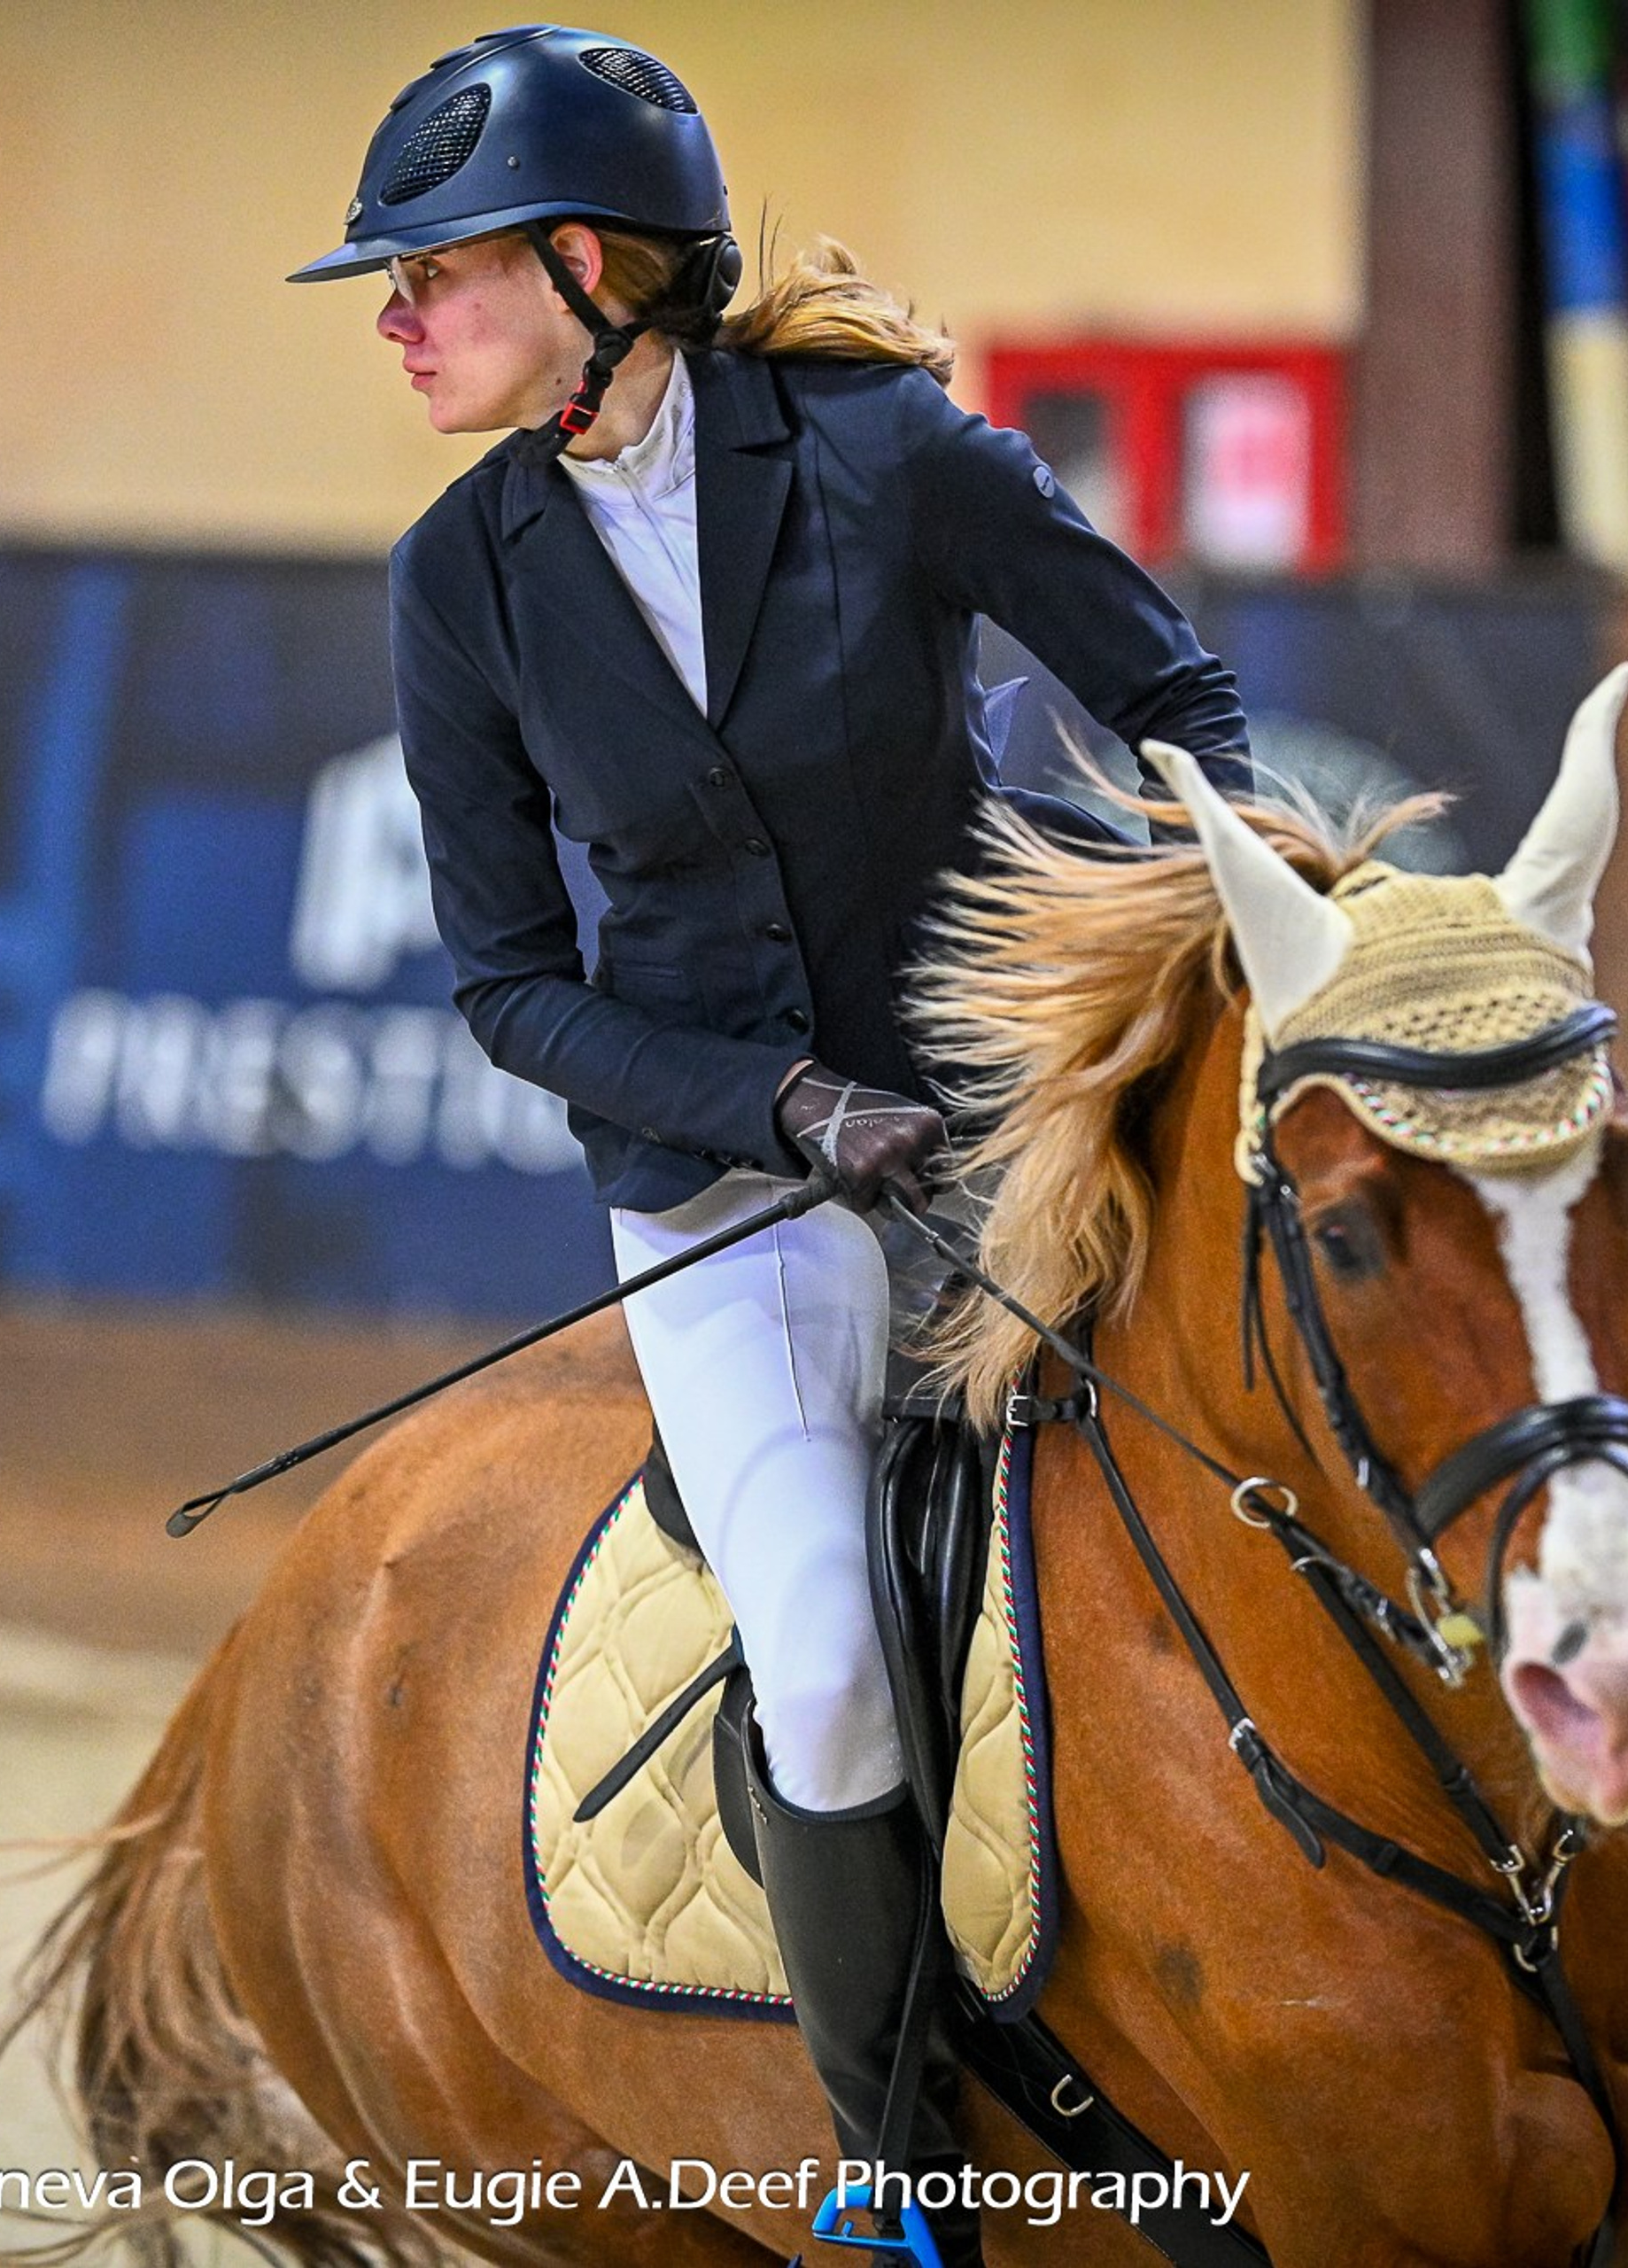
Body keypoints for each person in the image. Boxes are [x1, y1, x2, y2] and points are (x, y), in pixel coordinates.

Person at [291, 26, 1250, 2262]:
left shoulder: (884, 452)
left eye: (429, 271)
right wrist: (785, 1104)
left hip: (1013, 1143)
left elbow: (1170, 692)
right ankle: (904, 2158)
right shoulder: (463, 579)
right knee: (817, 1643)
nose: (394, 319)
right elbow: (509, 984)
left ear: (584, 259)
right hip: (728, 1193)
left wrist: (1264, 905)